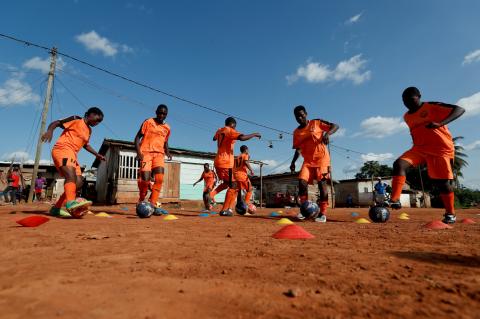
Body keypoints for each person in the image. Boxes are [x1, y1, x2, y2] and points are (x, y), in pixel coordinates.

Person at [385, 87, 465, 224]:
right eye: (404, 101)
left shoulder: (431, 106)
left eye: (410, 99)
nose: (407, 103)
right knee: (399, 164)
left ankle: (450, 213)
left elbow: (459, 109)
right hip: (419, 149)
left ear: (419, 96)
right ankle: (395, 199)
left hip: (440, 149)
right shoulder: (407, 116)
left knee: (443, 183)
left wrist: (440, 123)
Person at [42, 107, 105, 217]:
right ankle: (70, 202)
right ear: (90, 114)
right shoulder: (76, 119)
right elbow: (56, 123)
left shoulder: (89, 130)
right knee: (71, 176)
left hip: (73, 154)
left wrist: (96, 154)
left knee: (79, 181)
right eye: (96, 119)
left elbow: (85, 144)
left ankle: (56, 208)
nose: (97, 123)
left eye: (99, 122)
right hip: (62, 149)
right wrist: (50, 131)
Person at [290, 105, 339, 223]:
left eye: (301, 115)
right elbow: (298, 149)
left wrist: (327, 134)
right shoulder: (296, 133)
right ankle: (304, 210)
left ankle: (323, 214)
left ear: (306, 114)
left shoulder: (316, 123)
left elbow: (335, 126)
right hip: (307, 161)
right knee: (301, 182)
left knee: (322, 186)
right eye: (297, 117)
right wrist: (293, 162)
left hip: (322, 159)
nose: (300, 118)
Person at [210, 117, 261, 216]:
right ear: (232, 124)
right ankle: (230, 208)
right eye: (235, 126)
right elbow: (242, 138)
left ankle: (215, 197)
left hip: (219, 161)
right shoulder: (230, 131)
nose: (235, 128)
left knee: (228, 184)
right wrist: (254, 134)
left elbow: (214, 138)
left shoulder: (220, 130)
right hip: (227, 164)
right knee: (241, 187)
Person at [135, 104, 172, 210]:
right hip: (146, 153)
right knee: (146, 180)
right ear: (156, 112)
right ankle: (141, 199)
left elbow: (165, 142)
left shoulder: (167, 128)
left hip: (159, 154)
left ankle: (152, 204)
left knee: (159, 179)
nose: (161, 115)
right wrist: (138, 152)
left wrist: (168, 152)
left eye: (164, 114)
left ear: (166, 115)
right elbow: (137, 138)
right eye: (160, 113)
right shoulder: (148, 122)